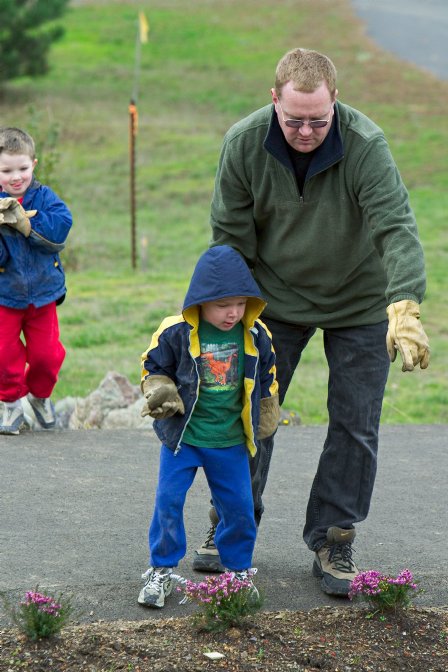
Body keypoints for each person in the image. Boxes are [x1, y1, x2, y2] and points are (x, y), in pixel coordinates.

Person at [194, 48, 430, 597]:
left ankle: (334, 535)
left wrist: (405, 305)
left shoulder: (366, 146)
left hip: (360, 299)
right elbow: (229, 239)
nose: (305, 130)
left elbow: (395, 227)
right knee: (248, 409)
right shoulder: (244, 143)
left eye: (318, 120)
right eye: (294, 118)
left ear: (335, 103)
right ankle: (232, 522)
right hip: (275, 298)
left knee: (355, 420)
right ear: (274, 99)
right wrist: (228, 313)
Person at [137, 245, 279, 608]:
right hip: (183, 439)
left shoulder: (256, 334)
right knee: (168, 502)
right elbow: (153, 365)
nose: (233, 313)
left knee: (239, 509)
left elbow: (268, 374)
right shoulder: (175, 331)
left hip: (229, 440)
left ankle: (238, 572)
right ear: (200, 300)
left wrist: (266, 412)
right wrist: (160, 388)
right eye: (222, 304)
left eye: (240, 303)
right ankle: (162, 571)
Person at [0, 127, 72, 435]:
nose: (16, 177)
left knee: (47, 355)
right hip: (5, 295)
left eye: (23, 168)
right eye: (6, 170)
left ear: (34, 164)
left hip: (43, 294)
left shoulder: (45, 197)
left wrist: (28, 224)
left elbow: (61, 226)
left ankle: (40, 396)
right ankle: (12, 402)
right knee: (3, 353)